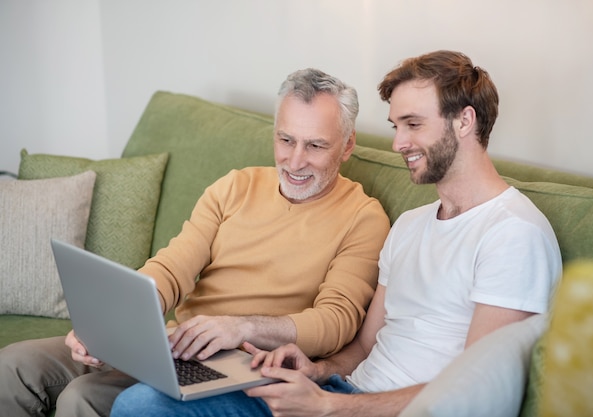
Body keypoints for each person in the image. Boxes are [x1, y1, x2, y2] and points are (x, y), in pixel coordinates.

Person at [110, 50, 562, 417]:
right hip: (341, 392)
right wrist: (317, 370)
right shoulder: (410, 226)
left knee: (140, 406)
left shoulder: (513, 234)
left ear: (464, 122)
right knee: (143, 402)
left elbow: (477, 395)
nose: (398, 143)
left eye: (413, 125)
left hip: (360, 407)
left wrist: (331, 406)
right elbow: (365, 344)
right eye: (396, 126)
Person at [0, 68, 391, 417]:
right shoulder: (235, 185)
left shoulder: (363, 218)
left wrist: (239, 328)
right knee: (13, 365)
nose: (295, 160)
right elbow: (172, 267)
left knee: (82, 397)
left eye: (316, 145)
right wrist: (116, 321)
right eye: (286, 140)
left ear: (348, 145)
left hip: (237, 363)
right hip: (170, 342)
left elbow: (335, 322)